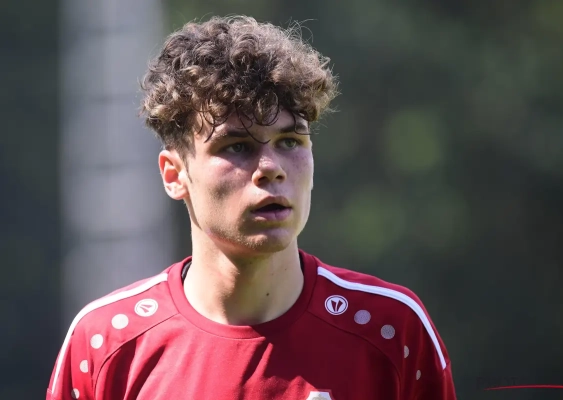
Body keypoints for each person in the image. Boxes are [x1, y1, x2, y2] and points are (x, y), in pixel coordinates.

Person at [47, 16, 456, 400]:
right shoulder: (106, 344)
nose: (271, 168)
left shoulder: (390, 330)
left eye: (290, 142)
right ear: (175, 175)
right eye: (237, 147)